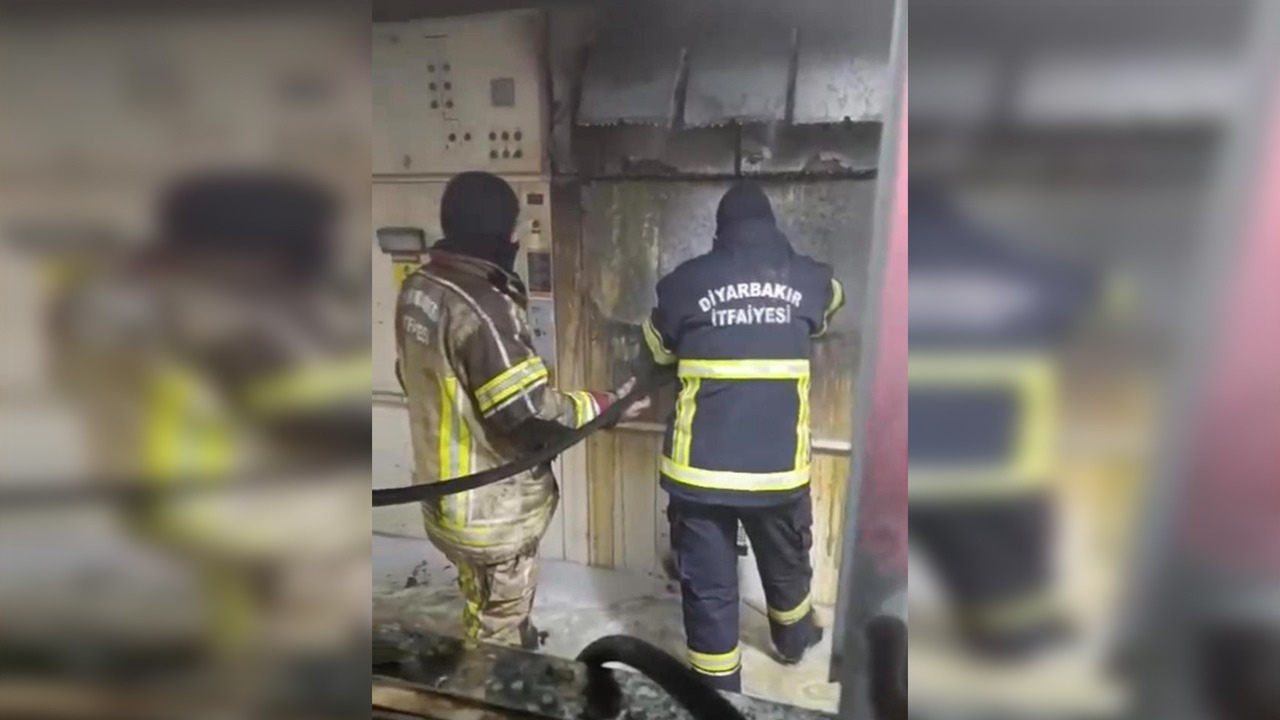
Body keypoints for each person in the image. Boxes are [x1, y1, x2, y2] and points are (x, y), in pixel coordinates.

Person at [49, 171, 372, 713]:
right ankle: (301, 676)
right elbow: (313, 409)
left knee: (248, 604)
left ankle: (253, 674)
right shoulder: (222, 305)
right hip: (235, 492)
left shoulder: (106, 294)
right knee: (349, 541)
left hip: (153, 489)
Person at [395, 171, 648, 649]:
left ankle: (498, 634)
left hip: (442, 496)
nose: (517, 238)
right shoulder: (483, 308)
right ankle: (498, 667)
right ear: (502, 233)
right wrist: (606, 405)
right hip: (489, 511)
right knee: (500, 631)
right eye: (514, 228)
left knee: (481, 593)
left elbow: (409, 375)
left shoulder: (419, 290)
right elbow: (528, 414)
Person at [637, 182, 843, 692]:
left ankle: (719, 690)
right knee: (786, 562)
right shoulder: (811, 278)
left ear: (719, 232)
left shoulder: (683, 283)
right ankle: (794, 641)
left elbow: (657, 350)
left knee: (708, 587)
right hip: (777, 468)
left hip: (700, 470)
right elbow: (828, 313)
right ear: (771, 226)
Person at [908, 184, 1097, 658]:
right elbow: (1103, 297)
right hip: (990, 466)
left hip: (898, 463)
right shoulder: (1008, 264)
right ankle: (1015, 643)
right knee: (1010, 594)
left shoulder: (895, 271)